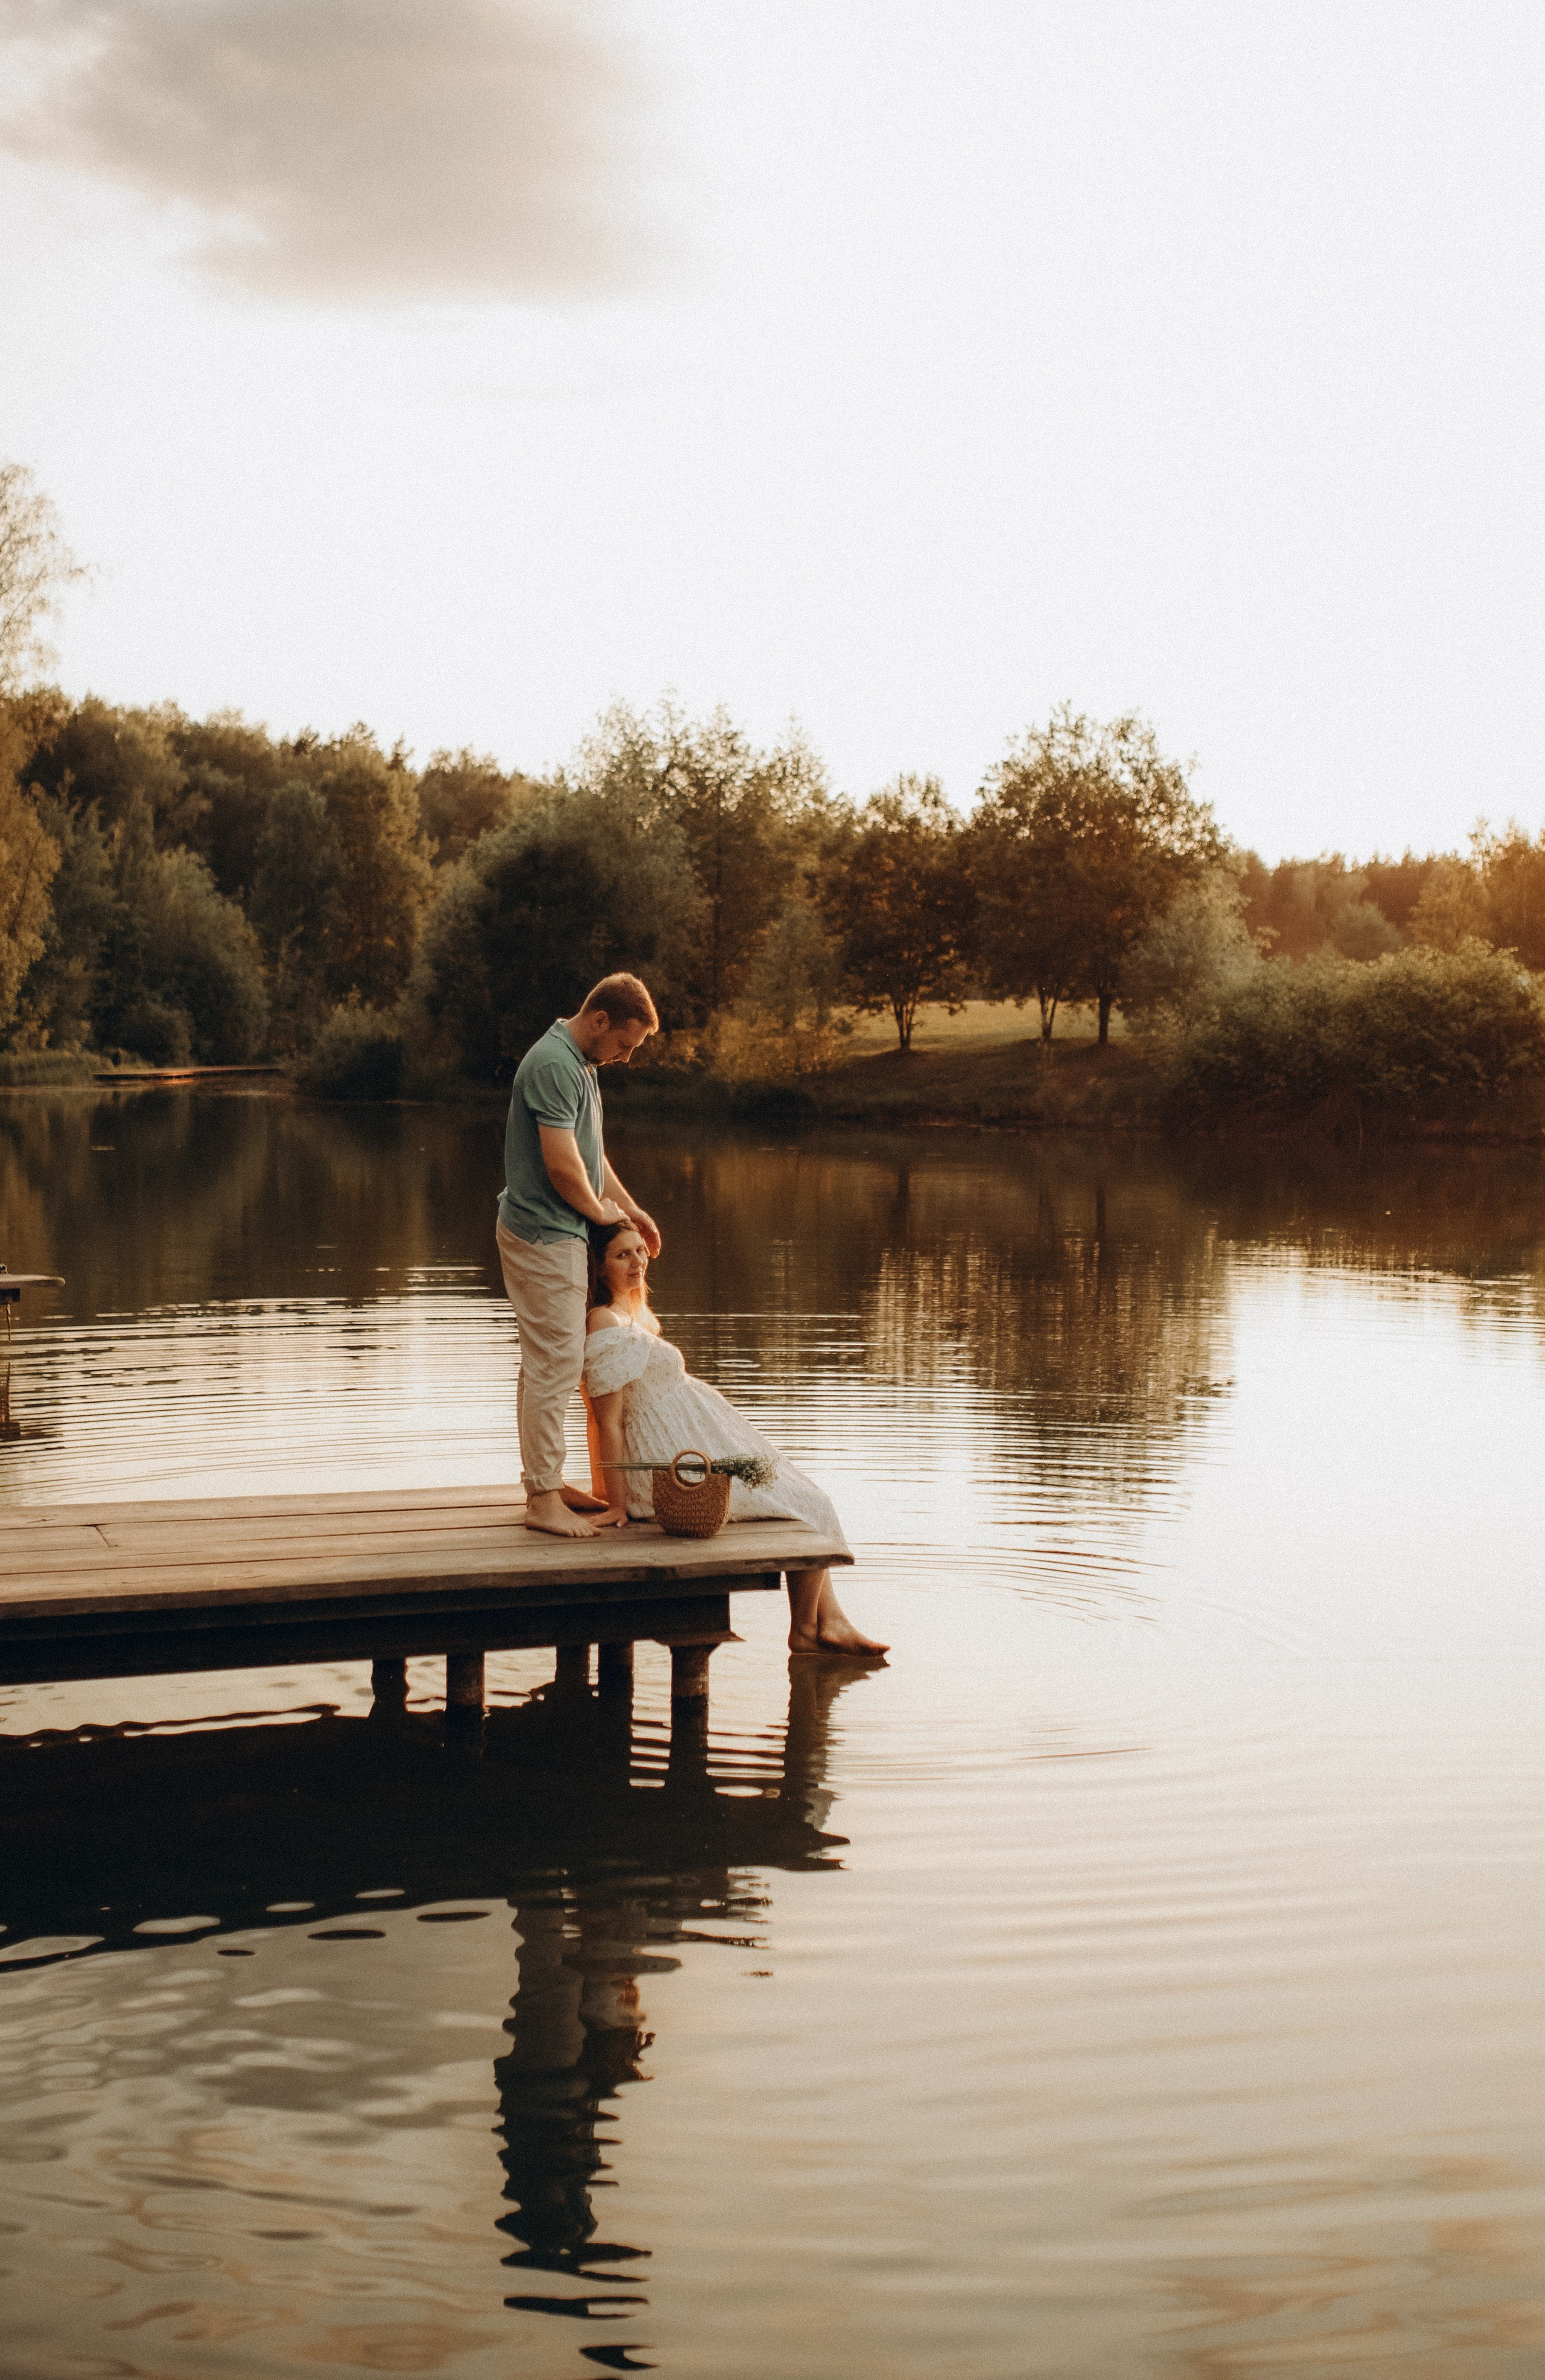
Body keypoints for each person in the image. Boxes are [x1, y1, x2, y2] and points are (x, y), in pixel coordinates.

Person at [581, 1219, 888, 1657]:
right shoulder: (604, 1320)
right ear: (600, 1267)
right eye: (622, 1254)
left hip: (693, 1447)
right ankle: (808, 1630)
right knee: (810, 1505)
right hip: (674, 1467)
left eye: (639, 1251)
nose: (637, 1261)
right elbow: (606, 1419)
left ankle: (827, 1620)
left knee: (809, 1499)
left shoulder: (636, 1316)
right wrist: (615, 1501)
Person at [496, 975, 663, 1539]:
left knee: (548, 1360)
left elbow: (591, 1161)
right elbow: (563, 1169)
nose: (625, 1056)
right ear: (600, 1020)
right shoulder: (554, 1065)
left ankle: (544, 1478)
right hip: (545, 1233)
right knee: (556, 1363)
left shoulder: (581, 1067)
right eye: (625, 1043)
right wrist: (603, 1217)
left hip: (559, 1229)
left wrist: (630, 1212)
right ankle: (543, 1497)